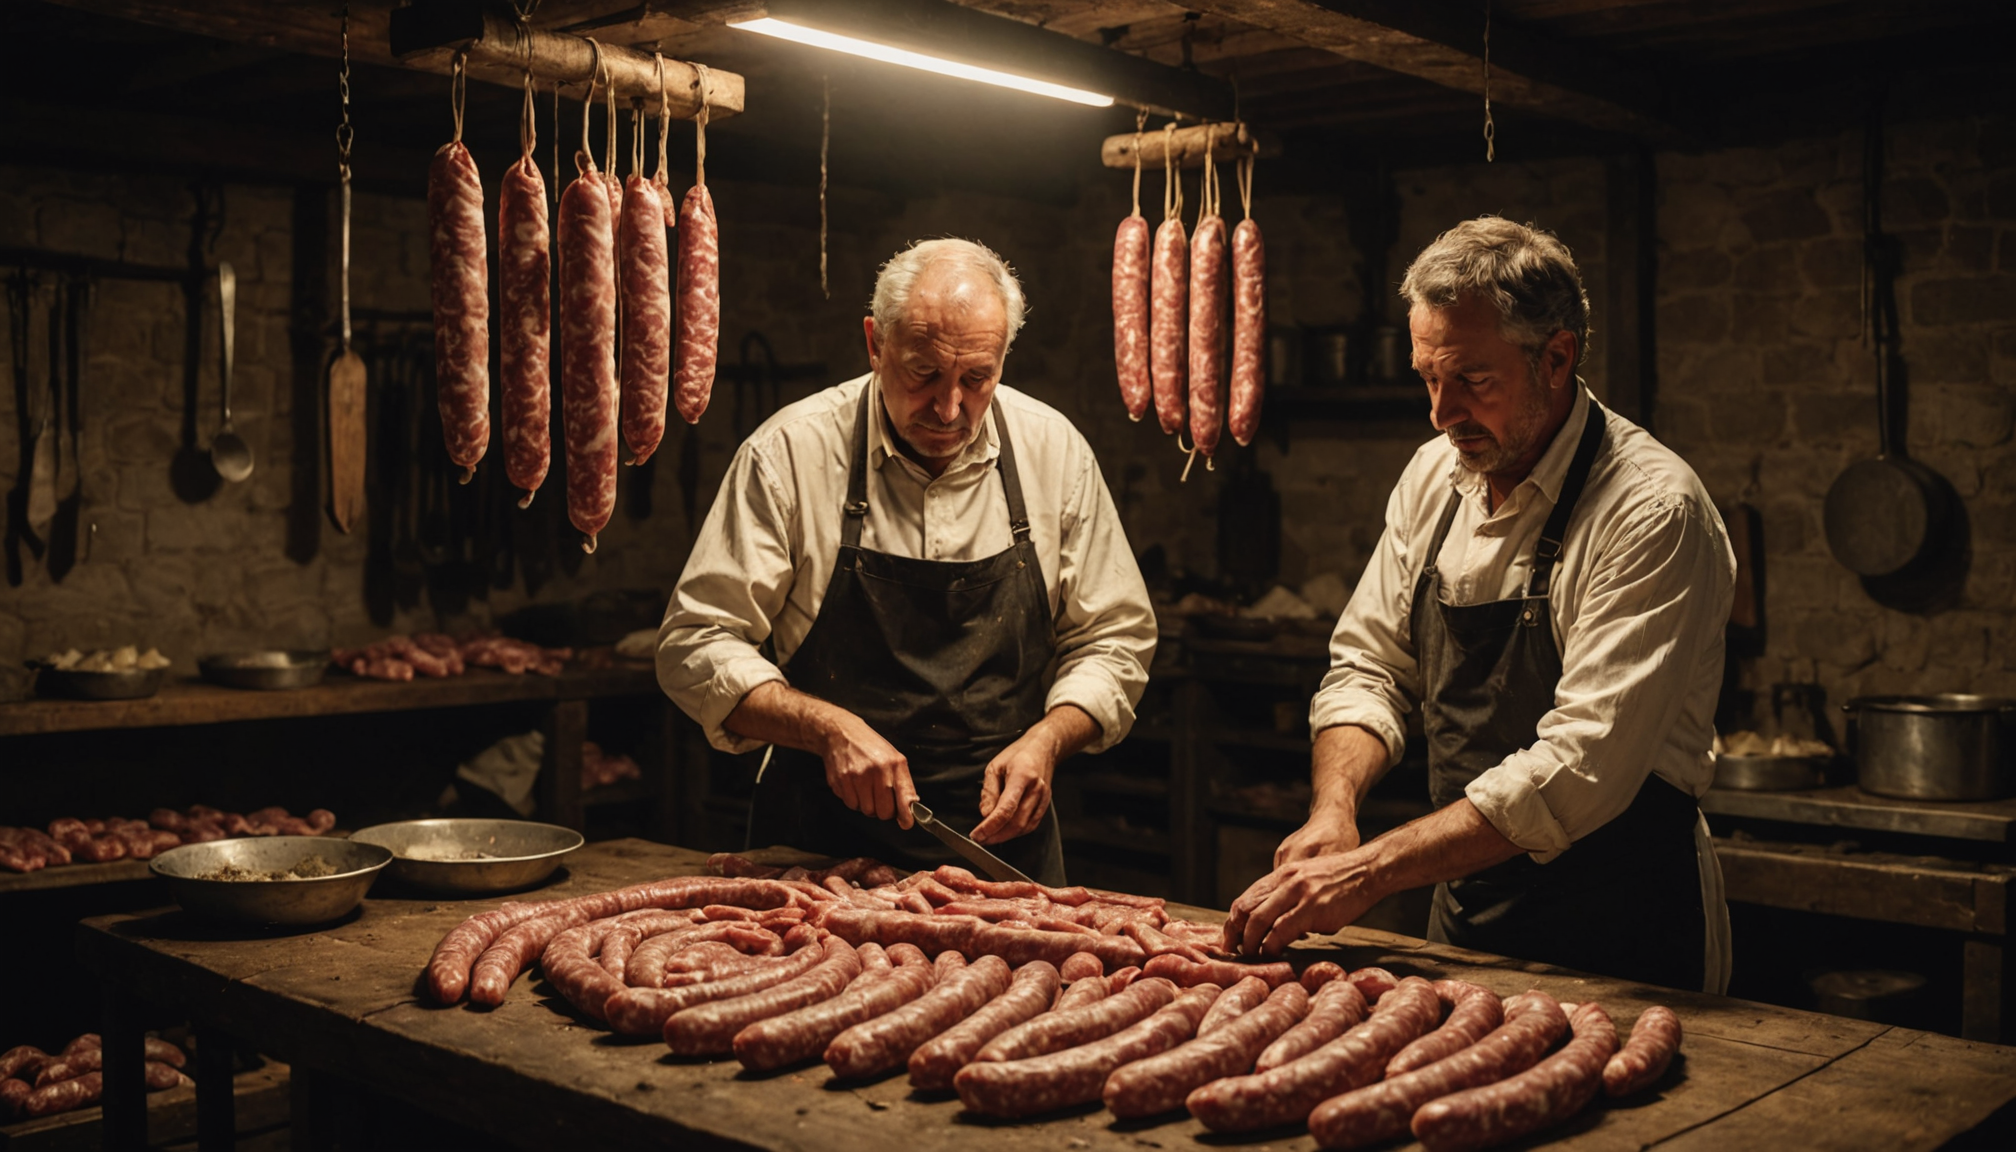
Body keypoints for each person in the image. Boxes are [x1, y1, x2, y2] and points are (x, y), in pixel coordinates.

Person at [1224, 217, 1735, 993]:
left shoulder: (1653, 511)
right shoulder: (1433, 478)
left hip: (1624, 933)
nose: (1440, 412)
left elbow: (1578, 768)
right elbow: (1369, 667)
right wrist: (1335, 808)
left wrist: (1369, 871)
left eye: (1472, 379)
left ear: (1556, 358)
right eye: (1428, 378)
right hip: (1466, 916)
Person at [657, 238, 1156, 885]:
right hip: (816, 858)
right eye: (923, 373)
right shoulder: (789, 454)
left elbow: (1115, 638)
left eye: (976, 379)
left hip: (999, 852)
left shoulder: (1054, 453)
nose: (949, 409)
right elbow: (696, 641)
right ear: (875, 343)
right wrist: (826, 728)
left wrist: (1051, 738)